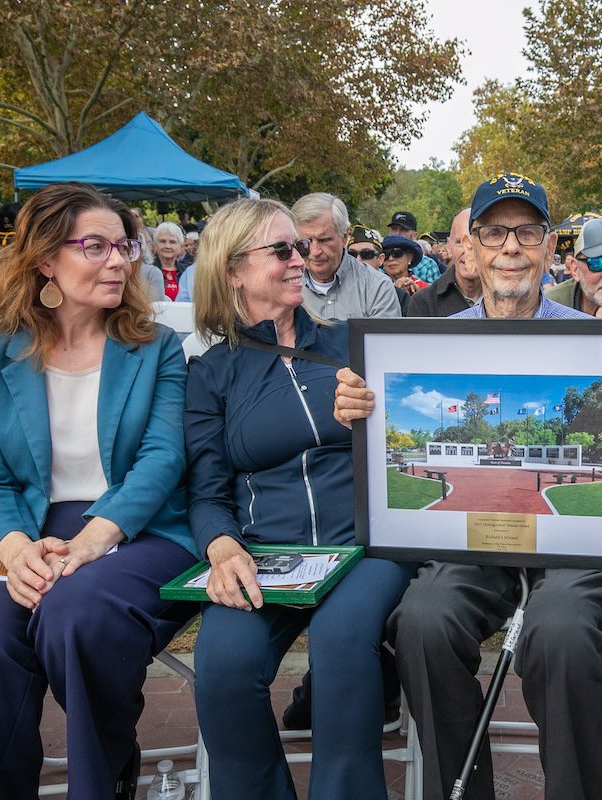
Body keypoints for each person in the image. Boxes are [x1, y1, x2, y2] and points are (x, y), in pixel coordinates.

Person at [334, 172, 602, 800]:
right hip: (471, 540)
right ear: (468, 249)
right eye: (495, 232)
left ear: (550, 247)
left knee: (561, 631)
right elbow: (383, 420)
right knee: (420, 621)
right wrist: (361, 406)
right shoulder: (431, 341)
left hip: (576, 547)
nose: (511, 247)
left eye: (526, 232)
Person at [0, 182, 198, 799]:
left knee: (75, 616)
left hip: (137, 525)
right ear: (46, 259)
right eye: (95, 246)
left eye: (124, 246)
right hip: (22, 524)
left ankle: (107, 777)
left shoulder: (156, 349)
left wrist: (94, 539)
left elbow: (162, 459)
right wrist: (14, 549)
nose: (120, 261)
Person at [183, 197, 416, 799]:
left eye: (303, 246)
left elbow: (421, 427)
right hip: (268, 549)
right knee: (222, 667)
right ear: (233, 270)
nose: (303, 258)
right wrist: (222, 546)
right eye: (282, 249)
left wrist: (375, 415)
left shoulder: (352, 346)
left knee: (341, 644)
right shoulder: (212, 373)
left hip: (366, 544)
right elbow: (206, 487)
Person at [291, 193, 400, 320]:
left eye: (324, 240)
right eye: (306, 242)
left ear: (345, 237)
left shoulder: (377, 287)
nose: (315, 251)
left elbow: (382, 339)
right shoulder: (282, 286)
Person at [407, 209, 483, 316]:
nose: (468, 251)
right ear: (449, 246)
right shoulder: (423, 303)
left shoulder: (509, 297)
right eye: (460, 242)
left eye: (476, 241)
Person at [387, 210, 441, 283]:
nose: (397, 233)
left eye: (403, 230)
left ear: (415, 235)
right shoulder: (380, 261)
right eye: (394, 229)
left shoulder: (428, 265)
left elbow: (436, 293)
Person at [381, 234, 427, 313]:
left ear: (409, 257)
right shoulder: (378, 288)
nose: (391, 258)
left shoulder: (426, 288)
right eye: (386, 255)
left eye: (397, 253)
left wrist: (418, 294)